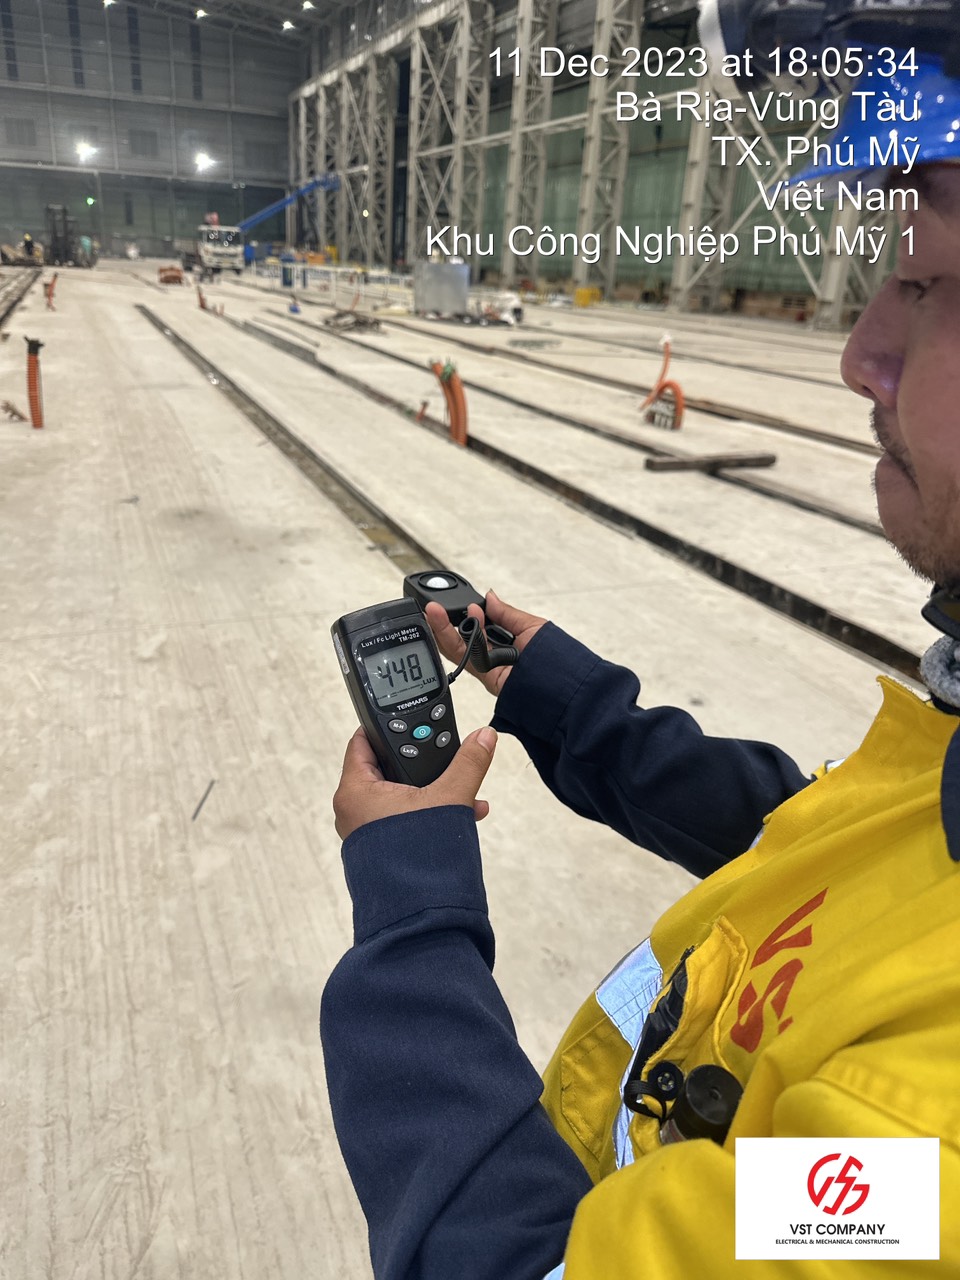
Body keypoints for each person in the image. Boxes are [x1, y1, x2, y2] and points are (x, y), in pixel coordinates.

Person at [321, 13, 960, 1280]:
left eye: (932, 285)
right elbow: (844, 857)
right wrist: (575, 707)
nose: (859, 354)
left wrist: (411, 909)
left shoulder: (925, 1168)